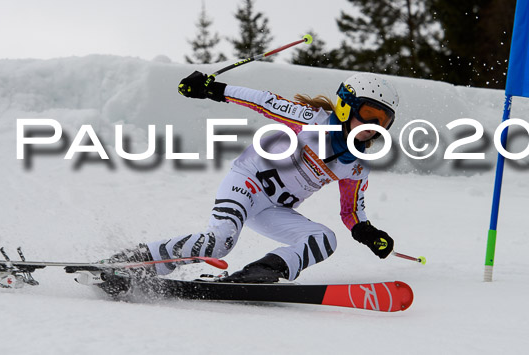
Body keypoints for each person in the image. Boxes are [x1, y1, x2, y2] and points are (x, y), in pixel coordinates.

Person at [108, 70, 399, 284]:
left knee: (325, 239)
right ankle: (135, 262)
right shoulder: (311, 120)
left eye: (383, 121)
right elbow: (263, 101)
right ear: (346, 104)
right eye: (369, 113)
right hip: (247, 182)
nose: (373, 127)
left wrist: (368, 234)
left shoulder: (357, 166)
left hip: (274, 210)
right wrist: (212, 89)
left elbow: (351, 212)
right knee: (220, 242)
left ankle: (263, 271)